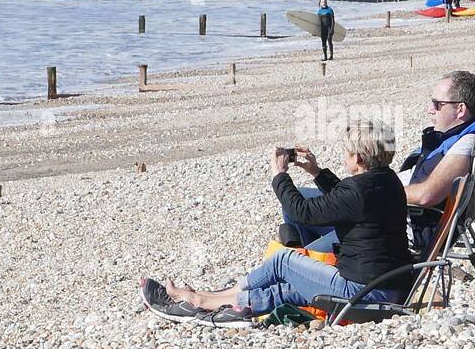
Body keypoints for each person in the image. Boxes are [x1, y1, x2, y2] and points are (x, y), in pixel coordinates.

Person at [141, 121, 413, 325]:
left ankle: (206, 296)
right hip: (388, 287)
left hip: (363, 292)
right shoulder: (386, 181)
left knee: (282, 260)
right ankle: (204, 300)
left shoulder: (358, 191)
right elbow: (344, 199)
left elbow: (302, 211)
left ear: (359, 158)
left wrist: (279, 174)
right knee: (284, 290)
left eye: (347, 151)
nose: (345, 156)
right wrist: (316, 172)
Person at [398, 70, 475, 251]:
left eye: (437, 104)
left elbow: (426, 195)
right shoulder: (460, 138)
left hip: (411, 228)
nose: (430, 109)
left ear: (460, 109)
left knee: (331, 232)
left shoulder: (469, 143)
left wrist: (376, 193)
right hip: (404, 217)